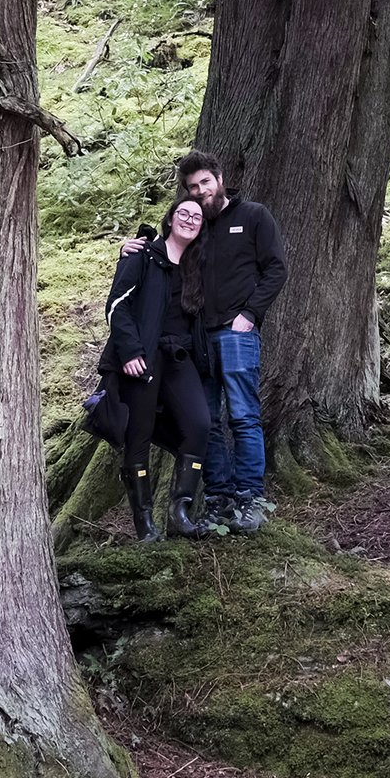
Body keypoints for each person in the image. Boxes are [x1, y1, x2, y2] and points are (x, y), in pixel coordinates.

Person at [128, 151, 288, 531]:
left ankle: (250, 499)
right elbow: (165, 252)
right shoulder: (193, 223)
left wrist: (250, 314)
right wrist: (131, 247)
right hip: (195, 337)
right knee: (208, 422)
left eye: (205, 183)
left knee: (244, 415)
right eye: (193, 187)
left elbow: (277, 268)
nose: (200, 192)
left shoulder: (253, 216)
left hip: (236, 334)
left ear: (219, 178)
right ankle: (218, 497)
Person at [101, 197, 215, 541]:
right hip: (143, 359)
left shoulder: (198, 266)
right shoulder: (142, 256)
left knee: (199, 424)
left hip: (179, 359)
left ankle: (179, 511)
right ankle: (145, 526)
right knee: (138, 437)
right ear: (169, 220)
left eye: (196, 217)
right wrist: (130, 352)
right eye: (183, 213)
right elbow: (117, 306)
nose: (190, 220)